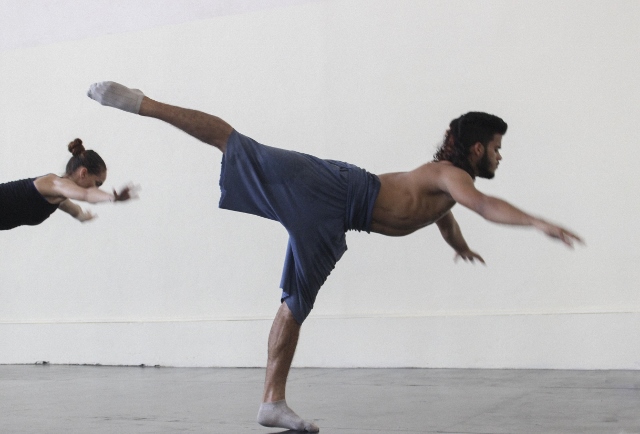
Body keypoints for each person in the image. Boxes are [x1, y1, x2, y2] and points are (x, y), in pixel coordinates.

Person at [87, 81, 582, 433]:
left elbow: (447, 218)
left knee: (295, 303)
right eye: (496, 147)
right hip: (336, 188)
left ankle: (271, 403)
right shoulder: (455, 177)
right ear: (476, 148)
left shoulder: (446, 190)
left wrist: (460, 247)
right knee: (236, 144)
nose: (500, 156)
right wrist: (538, 222)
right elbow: (483, 205)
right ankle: (139, 102)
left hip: (337, 221)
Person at [0, 138, 137, 230]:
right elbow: (87, 194)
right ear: (83, 173)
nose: (95, 188)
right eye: (97, 183)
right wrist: (113, 198)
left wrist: (82, 216)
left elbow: (73, 208)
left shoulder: (58, 195)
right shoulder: (55, 183)